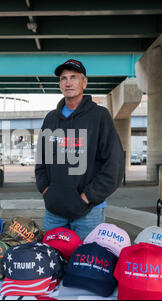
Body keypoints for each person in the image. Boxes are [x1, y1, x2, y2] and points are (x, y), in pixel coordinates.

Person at [35, 59, 125, 240]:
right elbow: (41, 161)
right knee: (52, 261)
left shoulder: (100, 116)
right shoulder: (51, 119)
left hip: (88, 213)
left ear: (84, 82)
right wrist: (47, 191)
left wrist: (87, 197)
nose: (68, 83)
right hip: (54, 212)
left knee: (85, 263)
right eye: (63, 78)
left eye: (73, 77)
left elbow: (114, 164)